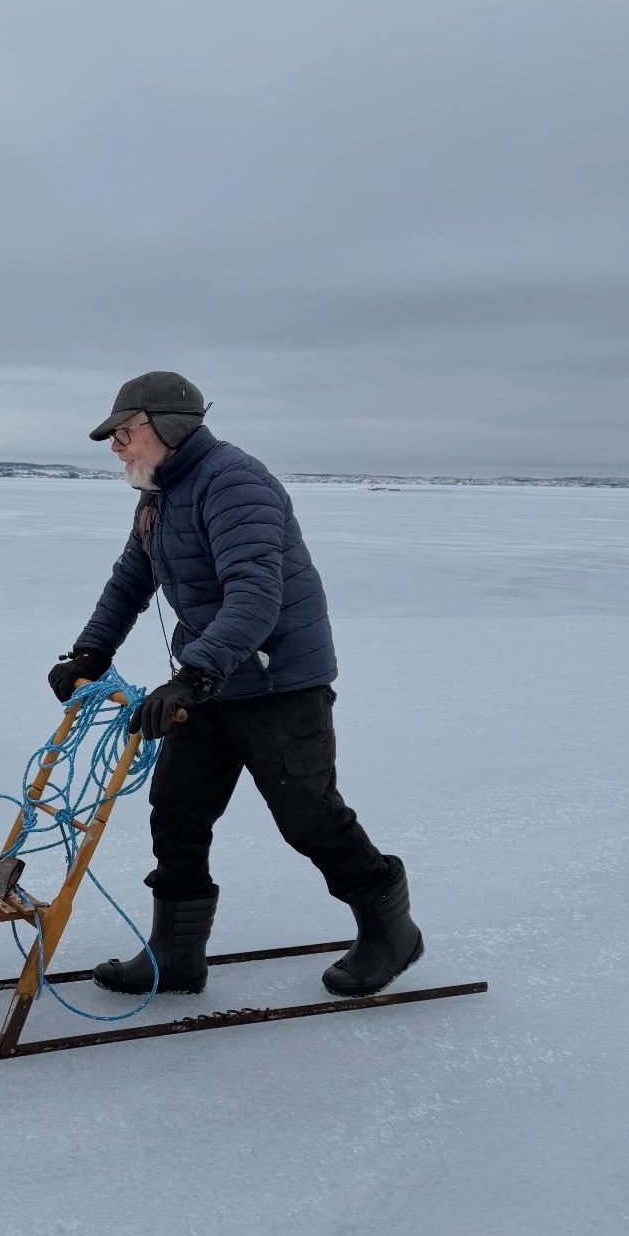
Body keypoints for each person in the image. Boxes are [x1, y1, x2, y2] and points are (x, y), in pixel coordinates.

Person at [48, 371, 422, 999]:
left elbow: (256, 592)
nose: (115, 445)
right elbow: (129, 582)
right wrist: (89, 652)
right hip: (213, 678)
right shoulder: (161, 494)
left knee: (309, 816)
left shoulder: (233, 482)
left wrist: (196, 672)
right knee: (177, 811)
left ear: (167, 426)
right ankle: (176, 954)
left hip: (280, 682)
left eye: (124, 431)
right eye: (112, 435)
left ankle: (392, 931)